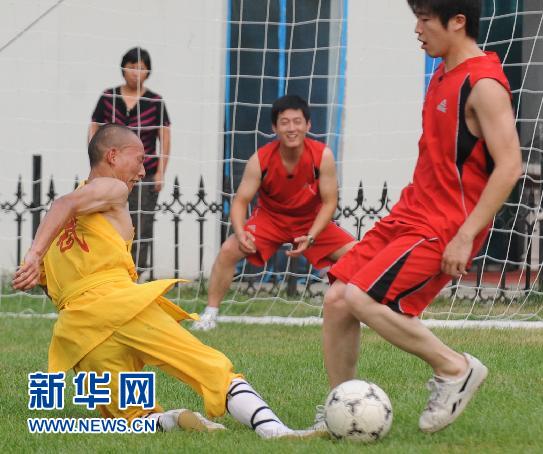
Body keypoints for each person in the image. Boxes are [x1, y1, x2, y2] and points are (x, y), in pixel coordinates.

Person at [13, 124, 319, 439]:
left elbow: (50, 286)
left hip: (78, 334)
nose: (143, 172)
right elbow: (64, 203)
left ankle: (175, 419)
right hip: (119, 307)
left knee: (130, 418)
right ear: (113, 155)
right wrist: (35, 255)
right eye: (140, 159)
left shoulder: (55, 230)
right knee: (209, 366)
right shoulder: (111, 188)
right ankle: (276, 431)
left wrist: (35, 260)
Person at [313, 0, 522, 434]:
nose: (418, 29)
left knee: (360, 298)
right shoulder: (442, 73)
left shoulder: (483, 84)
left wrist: (464, 236)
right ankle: (340, 408)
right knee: (337, 300)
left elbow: (510, 166)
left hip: (443, 227)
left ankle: (454, 368)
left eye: (426, 19)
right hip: (411, 212)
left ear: (458, 21)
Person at [191, 95, 355, 331]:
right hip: (271, 220)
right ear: (274, 127)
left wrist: (311, 236)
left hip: (310, 221)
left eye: (297, 121)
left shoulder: (323, 156)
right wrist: (240, 232)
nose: (291, 128)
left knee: (358, 255)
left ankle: (361, 310)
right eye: (285, 122)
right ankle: (210, 313)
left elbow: (330, 202)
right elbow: (240, 201)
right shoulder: (260, 159)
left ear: (308, 125)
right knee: (228, 249)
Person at [89, 47, 170, 278]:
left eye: (141, 68)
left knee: (141, 225)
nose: (136, 73)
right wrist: (96, 164)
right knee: (106, 221)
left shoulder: (155, 101)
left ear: (148, 72)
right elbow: (94, 129)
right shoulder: (108, 97)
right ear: (124, 69)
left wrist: (161, 172)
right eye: (132, 67)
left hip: (143, 174)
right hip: (110, 173)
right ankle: (108, 272)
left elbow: (165, 137)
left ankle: (134, 274)